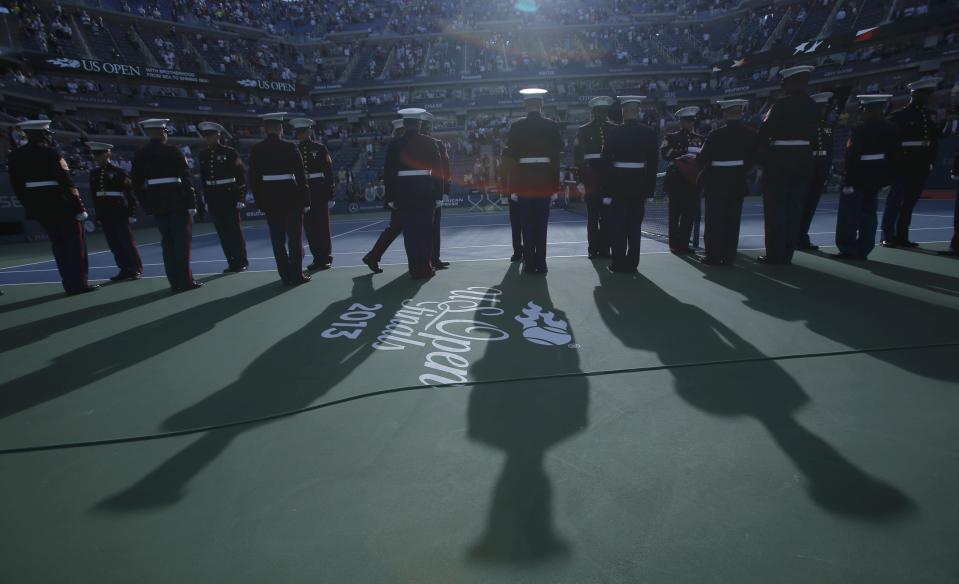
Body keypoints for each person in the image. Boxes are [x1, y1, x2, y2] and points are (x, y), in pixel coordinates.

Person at [8, 119, 97, 295]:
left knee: (58, 245)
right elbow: (66, 182)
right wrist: (79, 207)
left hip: (39, 207)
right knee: (74, 244)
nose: (50, 138)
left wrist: (30, 206)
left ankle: (68, 282)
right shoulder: (51, 153)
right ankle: (78, 284)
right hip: (61, 204)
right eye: (48, 134)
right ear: (43, 135)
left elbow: (17, 186)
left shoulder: (16, 155)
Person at [756, 65, 820, 264]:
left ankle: (775, 253)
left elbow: (764, 134)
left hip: (779, 161)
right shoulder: (814, 107)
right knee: (794, 209)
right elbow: (817, 137)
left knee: (775, 209)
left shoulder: (781, 105)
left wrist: (762, 162)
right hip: (803, 160)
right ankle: (788, 252)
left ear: (791, 83)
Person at [131, 118, 201, 292]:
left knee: (167, 243)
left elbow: (136, 183)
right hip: (177, 201)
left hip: (157, 203)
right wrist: (191, 202)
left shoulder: (141, 154)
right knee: (181, 243)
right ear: (163, 132)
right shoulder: (172, 151)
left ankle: (174, 282)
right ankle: (185, 281)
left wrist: (146, 203)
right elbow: (185, 178)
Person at [503, 88, 562, 274]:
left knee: (526, 224)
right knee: (541, 225)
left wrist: (511, 187)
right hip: (544, 181)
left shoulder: (516, 126)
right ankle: (541, 263)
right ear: (541, 105)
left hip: (523, 183)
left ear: (525, 105)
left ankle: (529, 263)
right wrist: (555, 186)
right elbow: (555, 158)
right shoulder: (551, 126)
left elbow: (510, 158)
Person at [834, 94, 899, 260]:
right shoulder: (890, 127)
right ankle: (864, 248)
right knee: (869, 214)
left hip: (858, 175)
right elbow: (894, 156)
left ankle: (848, 248)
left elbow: (852, 156)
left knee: (849, 214)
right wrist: (887, 178)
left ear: (867, 108)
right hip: (877, 175)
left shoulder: (860, 128)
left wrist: (848, 181)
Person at [249, 112, 311, 285]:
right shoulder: (290, 147)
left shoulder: (257, 149)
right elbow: (301, 176)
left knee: (277, 240)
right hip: (291, 199)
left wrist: (259, 202)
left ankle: (285, 276)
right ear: (279, 129)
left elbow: (253, 180)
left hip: (270, 200)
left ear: (266, 129)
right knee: (294, 239)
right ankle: (297, 275)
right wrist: (306, 200)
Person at [695, 99, 759, 265]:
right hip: (737, 180)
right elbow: (753, 159)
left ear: (725, 114)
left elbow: (702, 158)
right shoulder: (750, 134)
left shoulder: (715, 135)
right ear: (741, 113)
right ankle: (729, 255)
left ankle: (713, 256)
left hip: (716, 182)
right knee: (733, 220)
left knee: (714, 221)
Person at [599, 95, 659, 273]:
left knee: (618, 227)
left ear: (623, 112)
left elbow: (605, 162)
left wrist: (607, 190)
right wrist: (649, 190)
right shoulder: (649, 132)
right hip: (639, 185)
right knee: (634, 227)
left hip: (618, 186)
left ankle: (618, 263)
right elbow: (653, 164)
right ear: (638, 111)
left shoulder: (613, 132)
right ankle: (632, 263)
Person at [382, 108, 443, 279]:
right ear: (419, 124)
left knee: (410, 234)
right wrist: (439, 195)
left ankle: (414, 269)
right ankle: (425, 268)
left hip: (403, 193)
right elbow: (438, 171)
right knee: (424, 233)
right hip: (425, 192)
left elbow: (388, 173)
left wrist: (390, 197)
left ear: (405, 124)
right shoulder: (430, 143)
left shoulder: (395, 144)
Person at [881, 77, 942, 248]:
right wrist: (892, 164)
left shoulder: (930, 115)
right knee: (895, 201)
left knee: (909, 202)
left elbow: (933, 140)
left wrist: (931, 160)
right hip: (903, 163)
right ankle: (887, 235)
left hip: (921, 163)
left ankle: (902, 235)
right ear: (915, 94)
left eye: (929, 94)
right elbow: (890, 143)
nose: (929, 98)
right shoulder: (899, 115)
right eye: (925, 94)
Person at [197, 121, 248, 273]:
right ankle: (231, 261)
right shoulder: (203, 154)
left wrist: (241, 197)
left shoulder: (230, 152)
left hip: (229, 195)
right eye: (206, 136)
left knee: (234, 231)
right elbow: (204, 179)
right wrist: (205, 199)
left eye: (211, 135)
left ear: (218, 135)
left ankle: (241, 261)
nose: (208, 138)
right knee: (222, 232)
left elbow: (240, 176)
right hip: (213, 196)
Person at [88, 142, 142, 281]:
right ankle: (123, 269)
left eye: (100, 154)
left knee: (126, 242)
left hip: (119, 211)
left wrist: (132, 212)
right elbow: (95, 196)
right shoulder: (94, 173)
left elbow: (131, 193)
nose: (97, 157)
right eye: (95, 155)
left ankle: (135, 269)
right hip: (105, 212)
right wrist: (98, 214)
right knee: (114, 244)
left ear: (108, 154)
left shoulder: (119, 172)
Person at [290, 118, 336, 271]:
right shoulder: (294, 149)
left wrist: (331, 194)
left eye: (302, 132)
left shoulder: (320, 148)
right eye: (298, 132)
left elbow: (328, 172)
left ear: (309, 131)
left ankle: (326, 258)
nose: (300, 135)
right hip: (303, 192)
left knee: (323, 227)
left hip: (319, 191)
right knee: (309, 228)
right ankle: (317, 258)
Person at [574, 96, 616, 258]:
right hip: (591, 177)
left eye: (604, 111)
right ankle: (593, 249)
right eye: (598, 111)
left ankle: (605, 248)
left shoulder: (614, 129)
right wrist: (580, 179)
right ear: (593, 112)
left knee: (607, 217)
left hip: (609, 178)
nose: (601, 115)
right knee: (592, 217)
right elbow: (578, 157)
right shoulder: (583, 130)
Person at [362, 118, 406, 273]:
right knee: (399, 228)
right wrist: (391, 198)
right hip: (403, 195)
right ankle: (373, 256)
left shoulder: (396, 146)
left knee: (394, 228)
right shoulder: (397, 146)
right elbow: (389, 174)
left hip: (401, 195)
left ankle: (373, 256)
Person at [662, 105, 703, 253]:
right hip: (676, 180)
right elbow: (665, 154)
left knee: (689, 215)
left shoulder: (700, 139)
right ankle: (674, 244)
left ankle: (684, 244)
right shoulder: (671, 137)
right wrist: (685, 152)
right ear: (680, 122)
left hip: (692, 182)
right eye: (686, 121)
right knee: (675, 214)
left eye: (691, 121)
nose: (689, 124)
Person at [798, 92, 835, 251]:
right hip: (806, 167)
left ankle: (802, 236)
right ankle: (795, 237)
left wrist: (826, 170)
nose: (822, 110)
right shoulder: (802, 124)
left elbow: (830, 149)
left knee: (811, 205)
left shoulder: (827, 127)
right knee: (800, 205)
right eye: (819, 107)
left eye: (824, 107)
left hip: (820, 168)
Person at [421, 112, 451, 270]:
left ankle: (430, 259)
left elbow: (444, 169)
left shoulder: (437, 143)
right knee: (432, 227)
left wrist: (445, 190)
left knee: (428, 228)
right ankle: (431, 259)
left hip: (428, 191)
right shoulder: (437, 143)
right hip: (431, 191)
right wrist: (444, 190)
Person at [499, 145, 524, 262]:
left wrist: (506, 193)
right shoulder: (525, 147)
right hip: (521, 192)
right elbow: (503, 173)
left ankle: (518, 252)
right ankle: (523, 252)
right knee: (525, 225)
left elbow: (503, 173)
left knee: (517, 226)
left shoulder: (507, 150)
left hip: (517, 193)